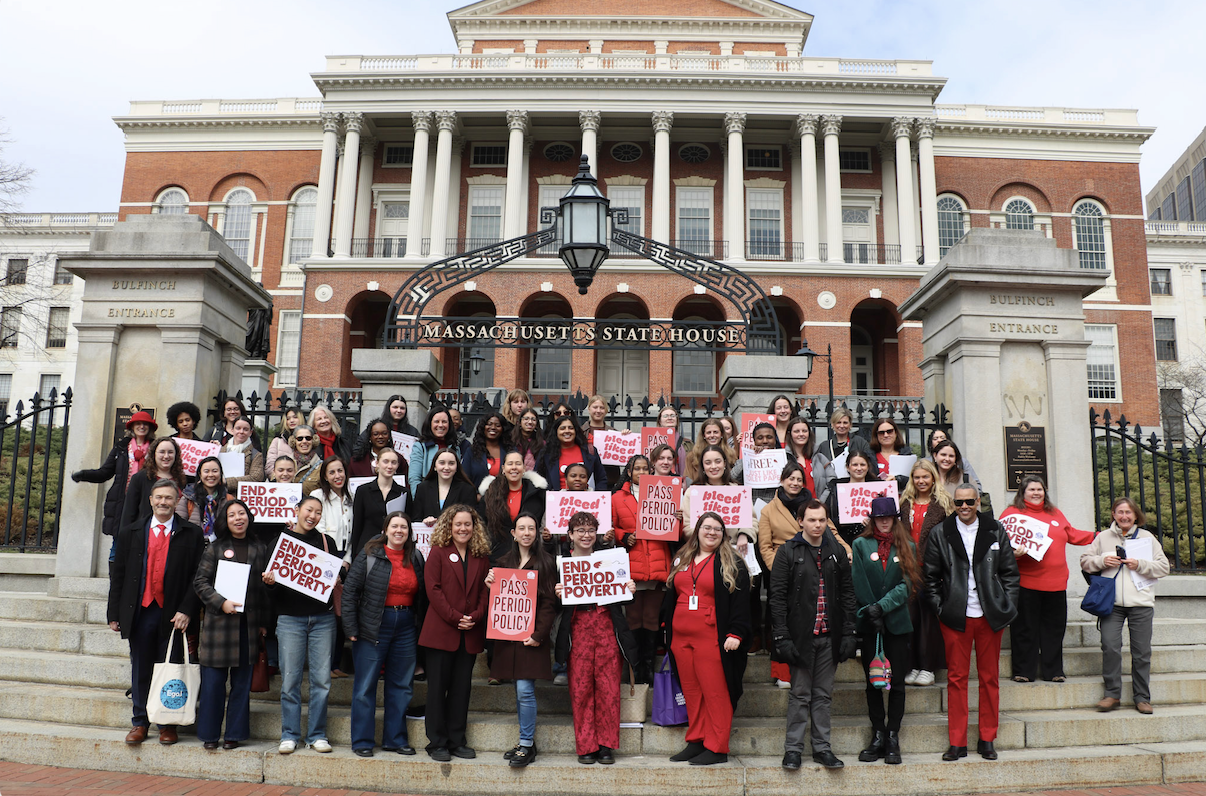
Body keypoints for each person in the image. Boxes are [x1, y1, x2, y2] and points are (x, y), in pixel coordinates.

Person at [923, 483, 1019, 762]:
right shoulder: (941, 532)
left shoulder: (995, 529)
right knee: (956, 679)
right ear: (953, 504)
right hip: (955, 616)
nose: (964, 507)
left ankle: (987, 738)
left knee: (990, 678)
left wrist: (1007, 605)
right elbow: (930, 577)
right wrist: (941, 609)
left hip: (989, 615)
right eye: (959, 502)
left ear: (978, 502)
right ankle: (957, 742)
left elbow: (1010, 573)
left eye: (969, 502)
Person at [107, 478, 204, 745]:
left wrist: (187, 610)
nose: (163, 502)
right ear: (150, 500)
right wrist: (114, 613)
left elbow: (198, 577)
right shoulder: (131, 532)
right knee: (141, 668)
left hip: (174, 615)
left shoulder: (192, 534)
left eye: (169, 498)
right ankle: (140, 721)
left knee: (170, 667)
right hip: (140, 611)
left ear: (177, 501)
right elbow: (119, 575)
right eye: (158, 497)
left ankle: (167, 723)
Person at [769, 500, 858, 771]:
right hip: (801, 636)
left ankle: (822, 748)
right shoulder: (787, 551)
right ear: (800, 521)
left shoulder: (836, 551)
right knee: (799, 694)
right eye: (811, 520)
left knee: (823, 695)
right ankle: (793, 749)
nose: (817, 525)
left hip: (829, 635)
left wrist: (849, 632)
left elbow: (848, 593)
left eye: (821, 520)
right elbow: (777, 597)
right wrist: (782, 636)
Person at [662, 512, 752, 766]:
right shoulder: (682, 558)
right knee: (692, 692)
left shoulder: (731, 562)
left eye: (717, 529)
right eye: (707, 527)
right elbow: (670, 594)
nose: (712, 532)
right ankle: (697, 740)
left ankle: (717, 746)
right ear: (697, 530)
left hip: (711, 636)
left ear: (724, 534)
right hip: (681, 638)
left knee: (716, 692)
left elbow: (741, 602)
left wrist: (736, 633)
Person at [554, 511, 637, 765]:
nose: (586, 535)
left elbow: (622, 598)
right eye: (580, 530)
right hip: (577, 627)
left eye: (591, 530)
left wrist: (629, 589)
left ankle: (606, 745)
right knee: (580, 689)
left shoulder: (610, 559)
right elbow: (551, 605)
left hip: (606, 626)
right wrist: (557, 593)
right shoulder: (561, 564)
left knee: (608, 688)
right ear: (570, 535)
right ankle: (586, 746)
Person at [342, 511, 427, 757]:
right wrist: (351, 628)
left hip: (406, 625)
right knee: (365, 686)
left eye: (404, 527)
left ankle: (395, 739)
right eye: (395, 526)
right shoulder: (370, 554)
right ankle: (362, 741)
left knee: (401, 685)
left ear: (409, 532)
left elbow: (423, 594)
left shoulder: (416, 556)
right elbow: (350, 592)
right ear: (385, 530)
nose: (399, 531)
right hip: (373, 625)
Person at [1000, 476, 1096, 684]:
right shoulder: (1012, 514)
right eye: (1032, 489)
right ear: (1022, 492)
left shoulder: (1055, 513)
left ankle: (1053, 671)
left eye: (1040, 489)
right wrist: (1014, 553)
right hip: (1027, 583)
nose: (1036, 493)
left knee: (1054, 629)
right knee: (1025, 629)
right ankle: (1023, 671)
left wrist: (1098, 536)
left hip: (1056, 584)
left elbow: (1072, 534)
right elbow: (1000, 545)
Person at [1081, 497, 1171, 714]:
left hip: (1141, 603)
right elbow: (1085, 561)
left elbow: (1163, 567)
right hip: (1111, 603)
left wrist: (1140, 564)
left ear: (1135, 515)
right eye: (1120, 512)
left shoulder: (1147, 538)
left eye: (1128, 512)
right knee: (1110, 646)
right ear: (1113, 514)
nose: (1124, 516)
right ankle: (1112, 694)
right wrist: (1102, 561)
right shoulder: (1103, 537)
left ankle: (1142, 697)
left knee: (1141, 652)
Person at [193, 498, 269, 750]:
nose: (238, 518)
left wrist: (264, 620)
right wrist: (221, 602)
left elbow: (264, 591)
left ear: (249, 517)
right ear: (225, 521)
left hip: (248, 626)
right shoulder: (215, 548)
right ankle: (209, 734)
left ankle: (234, 734)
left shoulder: (260, 548)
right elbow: (200, 582)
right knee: (213, 685)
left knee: (241, 686)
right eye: (232, 515)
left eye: (242, 513)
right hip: (219, 627)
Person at [264, 496, 338, 754]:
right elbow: (269, 591)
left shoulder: (327, 542)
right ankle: (289, 734)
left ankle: (317, 734)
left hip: (323, 619)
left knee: (322, 681)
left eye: (318, 512)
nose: (313, 516)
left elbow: (334, 577)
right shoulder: (279, 543)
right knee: (290, 681)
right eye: (309, 510)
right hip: (290, 620)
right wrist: (269, 583)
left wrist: (337, 575)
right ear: (297, 510)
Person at [852, 497, 922, 766]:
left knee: (897, 684)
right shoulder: (861, 545)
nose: (884, 521)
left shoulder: (907, 546)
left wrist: (882, 607)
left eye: (888, 517)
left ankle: (893, 735)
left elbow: (907, 584)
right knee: (873, 681)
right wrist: (871, 611)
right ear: (873, 519)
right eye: (879, 517)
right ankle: (877, 733)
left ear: (894, 518)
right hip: (871, 624)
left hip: (896, 623)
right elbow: (858, 580)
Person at [419, 505, 491, 761]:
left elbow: (484, 591)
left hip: (469, 633)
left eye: (467, 524)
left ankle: (457, 741)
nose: (463, 528)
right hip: (441, 632)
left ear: (474, 527)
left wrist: (476, 616)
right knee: (437, 690)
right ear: (449, 526)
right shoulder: (438, 552)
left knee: (462, 690)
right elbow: (433, 589)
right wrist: (455, 617)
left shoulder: (480, 556)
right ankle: (437, 743)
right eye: (458, 524)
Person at [489, 511, 557, 767]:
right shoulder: (502, 562)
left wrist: (539, 634)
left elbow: (549, 604)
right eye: (522, 528)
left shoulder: (547, 562)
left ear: (537, 532)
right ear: (513, 533)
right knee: (519, 691)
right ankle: (525, 741)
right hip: (508, 637)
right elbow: (497, 601)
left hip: (531, 637)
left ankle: (526, 744)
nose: (526, 532)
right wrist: (490, 585)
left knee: (525, 691)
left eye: (531, 528)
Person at [758, 461, 815, 688]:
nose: (795, 483)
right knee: (781, 622)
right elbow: (765, 547)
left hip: (810, 569)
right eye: (791, 478)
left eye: (799, 479)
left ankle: (805, 668)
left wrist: (846, 550)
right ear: (782, 481)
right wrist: (779, 570)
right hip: (783, 572)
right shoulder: (768, 510)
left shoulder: (813, 506)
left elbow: (829, 531)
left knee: (807, 621)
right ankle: (782, 672)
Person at [612, 454, 669, 684]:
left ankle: (648, 669)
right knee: (634, 619)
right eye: (637, 468)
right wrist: (623, 536)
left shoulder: (664, 494)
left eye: (646, 468)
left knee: (652, 618)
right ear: (629, 472)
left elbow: (674, 531)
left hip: (656, 562)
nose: (642, 472)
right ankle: (635, 668)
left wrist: (675, 518)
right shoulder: (617, 498)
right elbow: (610, 527)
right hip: (631, 564)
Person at [898, 459, 952, 687]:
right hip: (907, 568)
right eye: (917, 477)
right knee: (910, 618)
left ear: (933, 478)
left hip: (931, 569)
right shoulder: (904, 503)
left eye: (925, 477)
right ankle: (912, 665)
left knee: (928, 620)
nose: (921, 481)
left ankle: (928, 667)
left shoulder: (944, 504)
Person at [72, 410, 157, 545]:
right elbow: (104, 472)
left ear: (150, 427)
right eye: (138, 423)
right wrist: (83, 474)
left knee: (143, 544)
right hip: (122, 501)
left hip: (147, 502)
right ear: (132, 427)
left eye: (145, 424)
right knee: (118, 545)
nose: (142, 426)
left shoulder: (156, 449)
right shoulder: (121, 448)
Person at [478, 450, 548, 563]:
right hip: (497, 556)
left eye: (518, 464)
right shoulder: (490, 495)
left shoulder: (537, 494)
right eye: (510, 464)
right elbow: (481, 525)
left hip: (531, 557)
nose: (514, 467)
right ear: (503, 469)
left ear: (524, 468)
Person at [349, 448, 408, 566]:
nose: (390, 466)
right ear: (377, 463)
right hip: (367, 548)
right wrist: (354, 555)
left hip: (394, 549)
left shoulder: (404, 492)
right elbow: (357, 525)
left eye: (393, 462)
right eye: (386, 461)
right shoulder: (363, 491)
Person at [120, 437, 187, 532]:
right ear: (153, 454)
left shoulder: (181, 479)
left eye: (170, 452)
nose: (166, 456)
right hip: (145, 533)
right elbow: (129, 512)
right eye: (162, 452)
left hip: (175, 533)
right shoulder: (140, 478)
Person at [409, 405, 470, 498]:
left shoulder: (455, 447)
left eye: (444, 422)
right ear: (430, 424)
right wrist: (419, 500)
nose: (440, 425)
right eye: (436, 421)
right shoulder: (420, 446)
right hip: (427, 497)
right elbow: (414, 478)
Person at [827, 450, 881, 548]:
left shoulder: (878, 490)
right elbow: (828, 520)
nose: (859, 468)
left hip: (873, 541)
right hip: (844, 541)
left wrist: (874, 522)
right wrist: (842, 521)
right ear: (848, 467)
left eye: (862, 465)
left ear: (868, 467)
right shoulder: (836, 491)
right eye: (855, 465)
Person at [539, 415, 608, 492]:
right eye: (562, 428)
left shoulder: (589, 450)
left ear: (576, 431)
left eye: (571, 428)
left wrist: (597, 496)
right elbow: (538, 478)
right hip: (556, 498)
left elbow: (601, 478)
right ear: (556, 432)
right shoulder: (547, 453)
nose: (567, 431)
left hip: (586, 498)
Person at [414, 449, 478, 527]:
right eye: (442, 463)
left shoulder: (467, 490)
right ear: (435, 466)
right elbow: (415, 518)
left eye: (451, 463)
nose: (446, 467)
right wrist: (424, 522)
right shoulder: (423, 488)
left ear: (457, 467)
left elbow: (471, 520)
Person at [783, 417, 835, 504]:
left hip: (818, 508)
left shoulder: (820, 458)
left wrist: (820, 502)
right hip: (793, 507)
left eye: (804, 431)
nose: (801, 434)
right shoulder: (784, 458)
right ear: (790, 434)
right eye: (796, 431)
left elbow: (831, 481)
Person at [176, 456, 228, 543]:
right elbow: (179, 524)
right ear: (200, 474)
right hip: (193, 544)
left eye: (215, 471)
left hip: (220, 546)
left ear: (221, 474)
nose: (210, 475)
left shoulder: (227, 498)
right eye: (206, 471)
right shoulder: (188, 497)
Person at [313, 456, 355, 559]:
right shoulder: (318, 496)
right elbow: (319, 529)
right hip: (324, 553)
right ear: (325, 477)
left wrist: (348, 559)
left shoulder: (352, 497)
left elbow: (355, 531)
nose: (337, 476)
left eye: (340, 471)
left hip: (347, 556)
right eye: (332, 472)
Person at [464, 412, 511, 488]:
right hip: (476, 494)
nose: (493, 427)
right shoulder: (471, 451)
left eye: (498, 425)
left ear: (503, 429)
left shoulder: (510, 450)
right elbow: (464, 478)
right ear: (483, 427)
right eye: (489, 424)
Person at [869, 417, 915, 493]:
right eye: (881, 432)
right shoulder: (869, 457)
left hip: (903, 497)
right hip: (877, 497)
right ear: (876, 435)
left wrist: (898, 480)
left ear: (896, 433)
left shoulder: (907, 455)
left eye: (889, 431)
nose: (886, 435)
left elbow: (914, 480)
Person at [685, 418, 737, 485]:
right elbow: (687, 480)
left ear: (721, 434)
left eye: (715, 432)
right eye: (709, 432)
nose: (712, 435)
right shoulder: (692, 456)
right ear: (704, 435)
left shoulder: (731, 454)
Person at [221, 416, 265, 493]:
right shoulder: (221, 451)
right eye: (238, 428)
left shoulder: (256, 455)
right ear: (232, 430)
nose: (241, 432)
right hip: (220, 495)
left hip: (241, 495)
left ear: (250, 433)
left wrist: (226, 481)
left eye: (245, 429)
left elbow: (255, 478)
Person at [288, 425, 324, 492]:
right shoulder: (284, 463)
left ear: (313, 440)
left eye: (308, 438)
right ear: (294, 441)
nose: (304, 441)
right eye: (300, 438)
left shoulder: (322, 467)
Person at [266, 408, 303, 473]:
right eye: (288, 419)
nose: (291, 421)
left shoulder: (307, 440)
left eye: (295, 417)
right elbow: (270, 464)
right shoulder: (277, 441)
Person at [657, 404, 690, 476]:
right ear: (660, 421)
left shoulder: (688, 443)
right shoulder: (651, 440)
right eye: (665, 416)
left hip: (680, 480)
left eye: (672, 415)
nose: (669, 418)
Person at [511, 408, 546, 473]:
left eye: (533, 419)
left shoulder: (542, 444)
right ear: (519, 422)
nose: (530, 422)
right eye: (526, 419)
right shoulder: (511, 441)